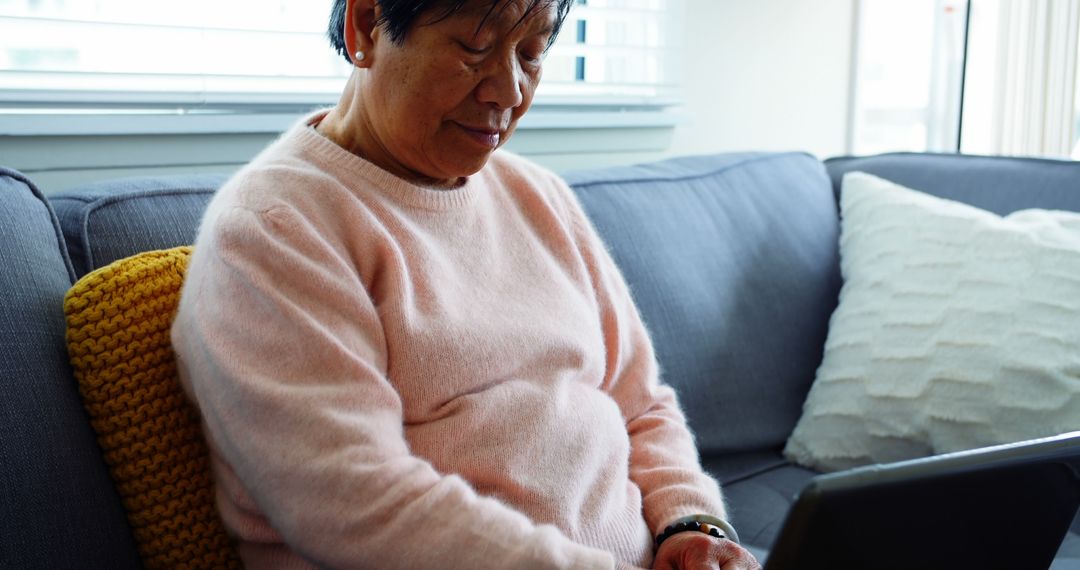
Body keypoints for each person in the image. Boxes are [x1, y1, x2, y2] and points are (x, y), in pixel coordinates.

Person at [171, 1, 762, 568]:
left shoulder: (541, 197)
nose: (508, 92)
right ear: (368, 24)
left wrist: (692, 526)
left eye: (531, 54)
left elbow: (641, 403)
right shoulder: (275, 229)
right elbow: (353, 501)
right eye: (474, 48)